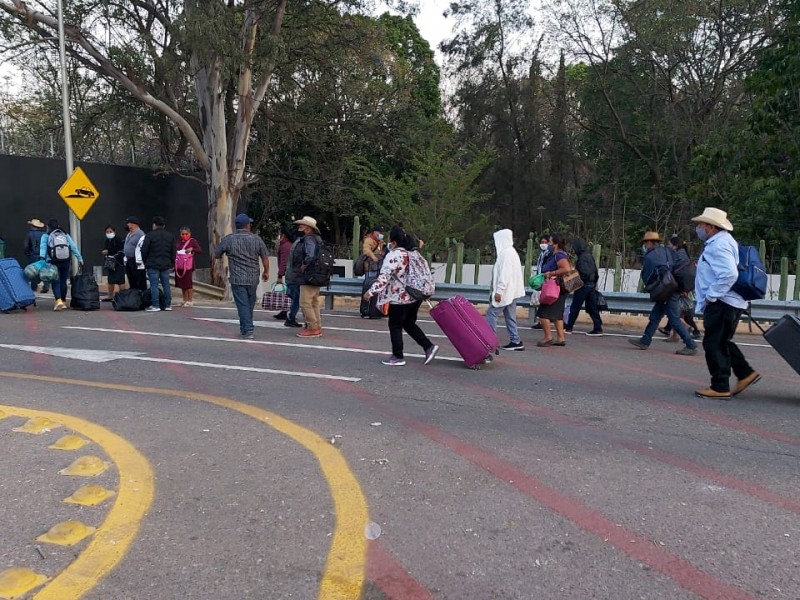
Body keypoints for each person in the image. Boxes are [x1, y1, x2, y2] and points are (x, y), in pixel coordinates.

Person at [691, 208, 760, 399]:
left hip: (722, 302)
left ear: (711, 227)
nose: (698, 228)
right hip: (729, 302)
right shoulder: (723, 241)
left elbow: (729, 273)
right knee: (721, 341)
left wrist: (711, 296)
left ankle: (720, 386)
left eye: (701, 225)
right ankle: (745, 373)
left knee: (713, 343)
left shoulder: (718, 245)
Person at [363, 226, 438, 366]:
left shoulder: (394, 255)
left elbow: (384, 278)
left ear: (393, 242)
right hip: (415, 296)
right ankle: (428, 347)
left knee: (395, 325)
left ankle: (398, 356)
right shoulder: (413, 253)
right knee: (409, 323)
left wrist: (371, 291)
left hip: (399, 298)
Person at [628, 231, 698, 355]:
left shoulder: (650, 256)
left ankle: (691, 345)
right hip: (673, 287)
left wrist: (649, 287)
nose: (645, 246)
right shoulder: (667, 251)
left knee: (674, 319)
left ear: (649, 242)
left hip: (666, 290)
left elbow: (647, 276)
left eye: (645, 243)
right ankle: (645, 340)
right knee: (655, 316)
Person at [213, 213, 270, 339]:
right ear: (248, 225)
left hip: (237, 277)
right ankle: (246, 327)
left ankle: (247, 329)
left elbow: (217, 254)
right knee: (249, 303)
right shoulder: (256, 239)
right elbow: (265, 257)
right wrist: (266, 271)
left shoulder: (228, 239)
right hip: (253, 277)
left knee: (242, 304)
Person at [486, 228, 526, 350]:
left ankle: (490, 340)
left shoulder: (506, 254)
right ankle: (515, 340)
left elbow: (505, 274)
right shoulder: (511, 252)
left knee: (491, 313)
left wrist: (499, 291)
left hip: (506, 291)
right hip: (511, 291)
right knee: (510, 316)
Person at [659, 235, 701, 340]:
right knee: (679, 311)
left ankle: (689, 330)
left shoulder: (678, 255)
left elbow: (676, 271)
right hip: (682, 287)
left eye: (669, 244)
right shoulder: (682, 254)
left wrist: (682, 289)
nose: (668, 246)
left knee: (676, 311)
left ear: (675, 245)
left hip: (679, 287)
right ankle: (673, 334)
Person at [290, 216, 325, 338]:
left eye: (303, 225)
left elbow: (309, 255)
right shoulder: (317, 239)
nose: (301, 226)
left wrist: (304, 265)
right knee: (314, 302)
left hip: (308, 275)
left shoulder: (308, 239)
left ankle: (312, 327)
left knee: (305, 302)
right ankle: (316, 325)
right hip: (317, 274)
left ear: (308, 228)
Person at [39, 219, 83, 311]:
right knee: (63, 281)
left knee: (55, 281)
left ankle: (58, 300)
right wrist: (79, 258)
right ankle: (63, 301)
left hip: (52, 261)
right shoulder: (64, 234)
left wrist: (42, 258)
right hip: (65, 261)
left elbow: (43, 247)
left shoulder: (46, 236)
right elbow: (73, 247)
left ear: (48, 227)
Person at [536, 232, 571, 347]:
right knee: (557, 314)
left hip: (555, 287)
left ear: (555, 243)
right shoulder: (554, 254)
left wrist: (551, 273)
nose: (548, 244)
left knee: (542, 312)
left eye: (550, 241)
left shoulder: (559, 255)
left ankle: (548, 337)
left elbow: (566, 268)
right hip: (559, 287)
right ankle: (560, 338)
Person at [565, 238, 603, 336]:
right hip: (591, 285)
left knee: (575, 307)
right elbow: (595, 272)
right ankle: (598, 328)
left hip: (583, 286)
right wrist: (593, 283)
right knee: (593, 308)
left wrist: (575, 283)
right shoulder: (590, 256)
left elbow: (583, 273)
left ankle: (569, 327)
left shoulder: (582, 258)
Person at [141, 216, 176, 312]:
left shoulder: (149, 235)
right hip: (166, 264)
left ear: (154, 225)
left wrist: (146, 262)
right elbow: (173, 251)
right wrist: (172, 262)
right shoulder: (170, 236)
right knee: (166, 285)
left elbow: (144, 250)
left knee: (154, 285)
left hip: (152, 264)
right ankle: (168, 304)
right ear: (163, 225)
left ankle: (155, 305)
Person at [175, 226, 203, 307]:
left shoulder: (192, 241)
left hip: (188, 265)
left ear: (189, 234)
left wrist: (192, 249)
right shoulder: (179, 241)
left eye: (186, 234)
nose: (184, 235)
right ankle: (185, 299)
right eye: (182, 234)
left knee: (188, 283)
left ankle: (190, 300)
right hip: (179, 265)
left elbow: (200, 250)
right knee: (182, 283)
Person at [273, 226, 294, 320]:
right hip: (292, 273)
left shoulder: (285, 246)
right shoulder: (289, 244)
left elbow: (284, 262)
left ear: (283, 235)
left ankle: (288, 314)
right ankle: (285, 312)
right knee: (290, 294)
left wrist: (280, 275)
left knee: (290, 294)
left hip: (290, 273)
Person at [531, 234, 551, 329]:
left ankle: (543, 321)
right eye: (542, 242)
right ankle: (541, 321)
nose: (543, 244)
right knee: (540, 301)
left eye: (545, 242)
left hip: (545, 280)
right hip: (540, 279)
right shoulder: (542, 254)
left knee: (544, 302)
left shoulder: (549, 254)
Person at [101, 224, 126, 301]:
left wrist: (109, 251)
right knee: (110, 280)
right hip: (110, 263)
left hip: (119, 262)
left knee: (120, 281)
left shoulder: (119, 240)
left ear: (114, 232)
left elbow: (120, 250)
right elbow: (105, 249)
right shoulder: (107, 241)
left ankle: (123, 297)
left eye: (110, 231)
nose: (109, 233)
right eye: (107, 232)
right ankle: (110, 296)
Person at [123, 216, 147, 291]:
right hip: (129, 260)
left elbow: (142, 247)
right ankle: (134, 294)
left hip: (136, 261)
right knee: (131, 279)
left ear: (134, 224)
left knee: (139, 280)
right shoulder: (129, 234)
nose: (127, 225)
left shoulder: (140, 234)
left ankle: (141, 295)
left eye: (128, 223)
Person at [25, 218, 48, 293]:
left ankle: (34, 287)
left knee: (33, 271)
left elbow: (26, 245)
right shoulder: (44, 234)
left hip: (33, 255)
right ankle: (46, 286)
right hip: (43, 255)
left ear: (33, 226)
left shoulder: (30, 234)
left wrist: (27, 253)